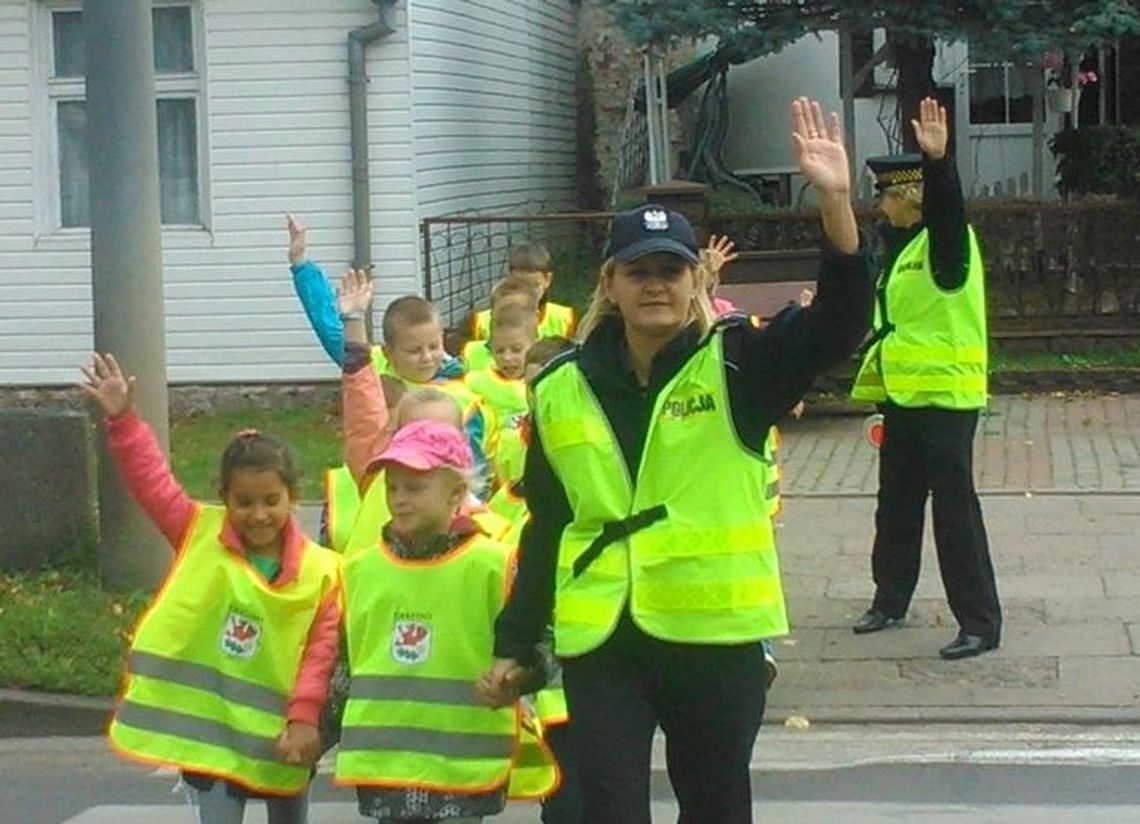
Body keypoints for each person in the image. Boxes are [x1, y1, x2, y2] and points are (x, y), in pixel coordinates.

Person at [480, 98, 872, 824]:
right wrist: (515, 639)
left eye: (671, 270)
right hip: (604, 641)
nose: (655, 284)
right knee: (604, 810)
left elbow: (839, 326)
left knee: (717, 809)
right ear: (609, 285)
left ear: (697, 281)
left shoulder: (738, 365)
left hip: (714, 642)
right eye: (638, 272)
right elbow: (548, 524)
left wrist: (838, 206)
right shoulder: (560, 387)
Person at [81, 353, 340, 824]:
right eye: (243, 502)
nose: (258, 514)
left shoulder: (323, 572)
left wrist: (305, 718)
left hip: (284, 737)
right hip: (213, 740)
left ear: (293, 498)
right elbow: (152, 483)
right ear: (223, 498)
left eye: (271, 501)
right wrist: (122, 420)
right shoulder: (198, 531)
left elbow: (319, 654)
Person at [333, 419, 548, 822]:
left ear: (455, 493)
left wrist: (518, 677)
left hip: (462, 765)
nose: (399, 499)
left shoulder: (495, 566)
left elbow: (542, 643)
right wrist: (311, 730)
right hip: (387, 764)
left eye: (414, 488)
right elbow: (343, 666)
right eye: (392, 487)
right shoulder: (361, 570)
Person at [849, 97, 1002, 661]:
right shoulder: (901, 249)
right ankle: (889, 598)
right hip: (904, 395)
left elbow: (948, 210)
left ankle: (980, 622)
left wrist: (939, 165)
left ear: (909, 197)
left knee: (954, 509)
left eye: (885, 194)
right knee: (896, 502)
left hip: (946, 397)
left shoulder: (945, 244)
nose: (878, 204)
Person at [466, 304, 538, 489]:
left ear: (534, 345)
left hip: (532, 473)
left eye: (516, 350)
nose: (507, 358)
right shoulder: (475, 383)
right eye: (499, 351)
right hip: (493, 479)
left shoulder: (543, 382)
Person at [469, 241, 577, 341]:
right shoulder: (482, 323)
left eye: (534, 286)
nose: (528, 294)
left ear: (547, 280)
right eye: (520, 286)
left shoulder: (564, 319)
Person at [461, 275, 543, 372]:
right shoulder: (471, 353)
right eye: (502, 312)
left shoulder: (551, 356)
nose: (507, 358)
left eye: (517, 312)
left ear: (536, 317)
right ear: (491, 314)